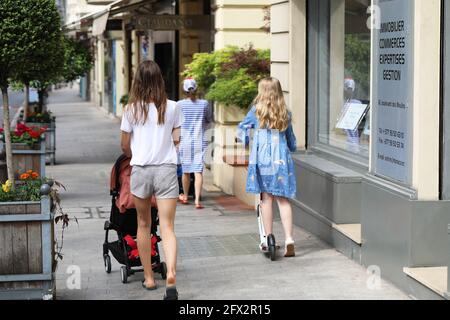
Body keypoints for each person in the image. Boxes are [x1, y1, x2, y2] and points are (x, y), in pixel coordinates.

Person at [120, 60, 183, 300]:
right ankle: (171, 275)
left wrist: (134, 154)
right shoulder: (173, 107)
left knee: (144, 224)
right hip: (166, 168)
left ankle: (148, 277)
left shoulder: (131, 110)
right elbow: (177, 139)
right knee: (167, 227)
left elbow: (125, 145)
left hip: (141, 169)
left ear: (138, 82)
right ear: (160, 80)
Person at [237, 77, 297, 257]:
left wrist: (247, 141)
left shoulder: (256, 111)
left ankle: (269, 237)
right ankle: (289, 239)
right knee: (283, 200)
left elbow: (242, 129)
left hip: (263, 159)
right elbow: (291, 139)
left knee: (266, 199)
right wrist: (291, 148)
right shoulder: (285, 112)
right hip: (281, 158)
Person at [177, 78, 212, 209]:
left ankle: (185, 196)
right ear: (196, 89)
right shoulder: (204, 104)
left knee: (185, 171)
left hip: (185, 142)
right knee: (198, 171)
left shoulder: (179, 105)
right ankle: (197, 200)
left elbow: (177, 122)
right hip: (200, 141)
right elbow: (208, 120)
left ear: (184, 91)